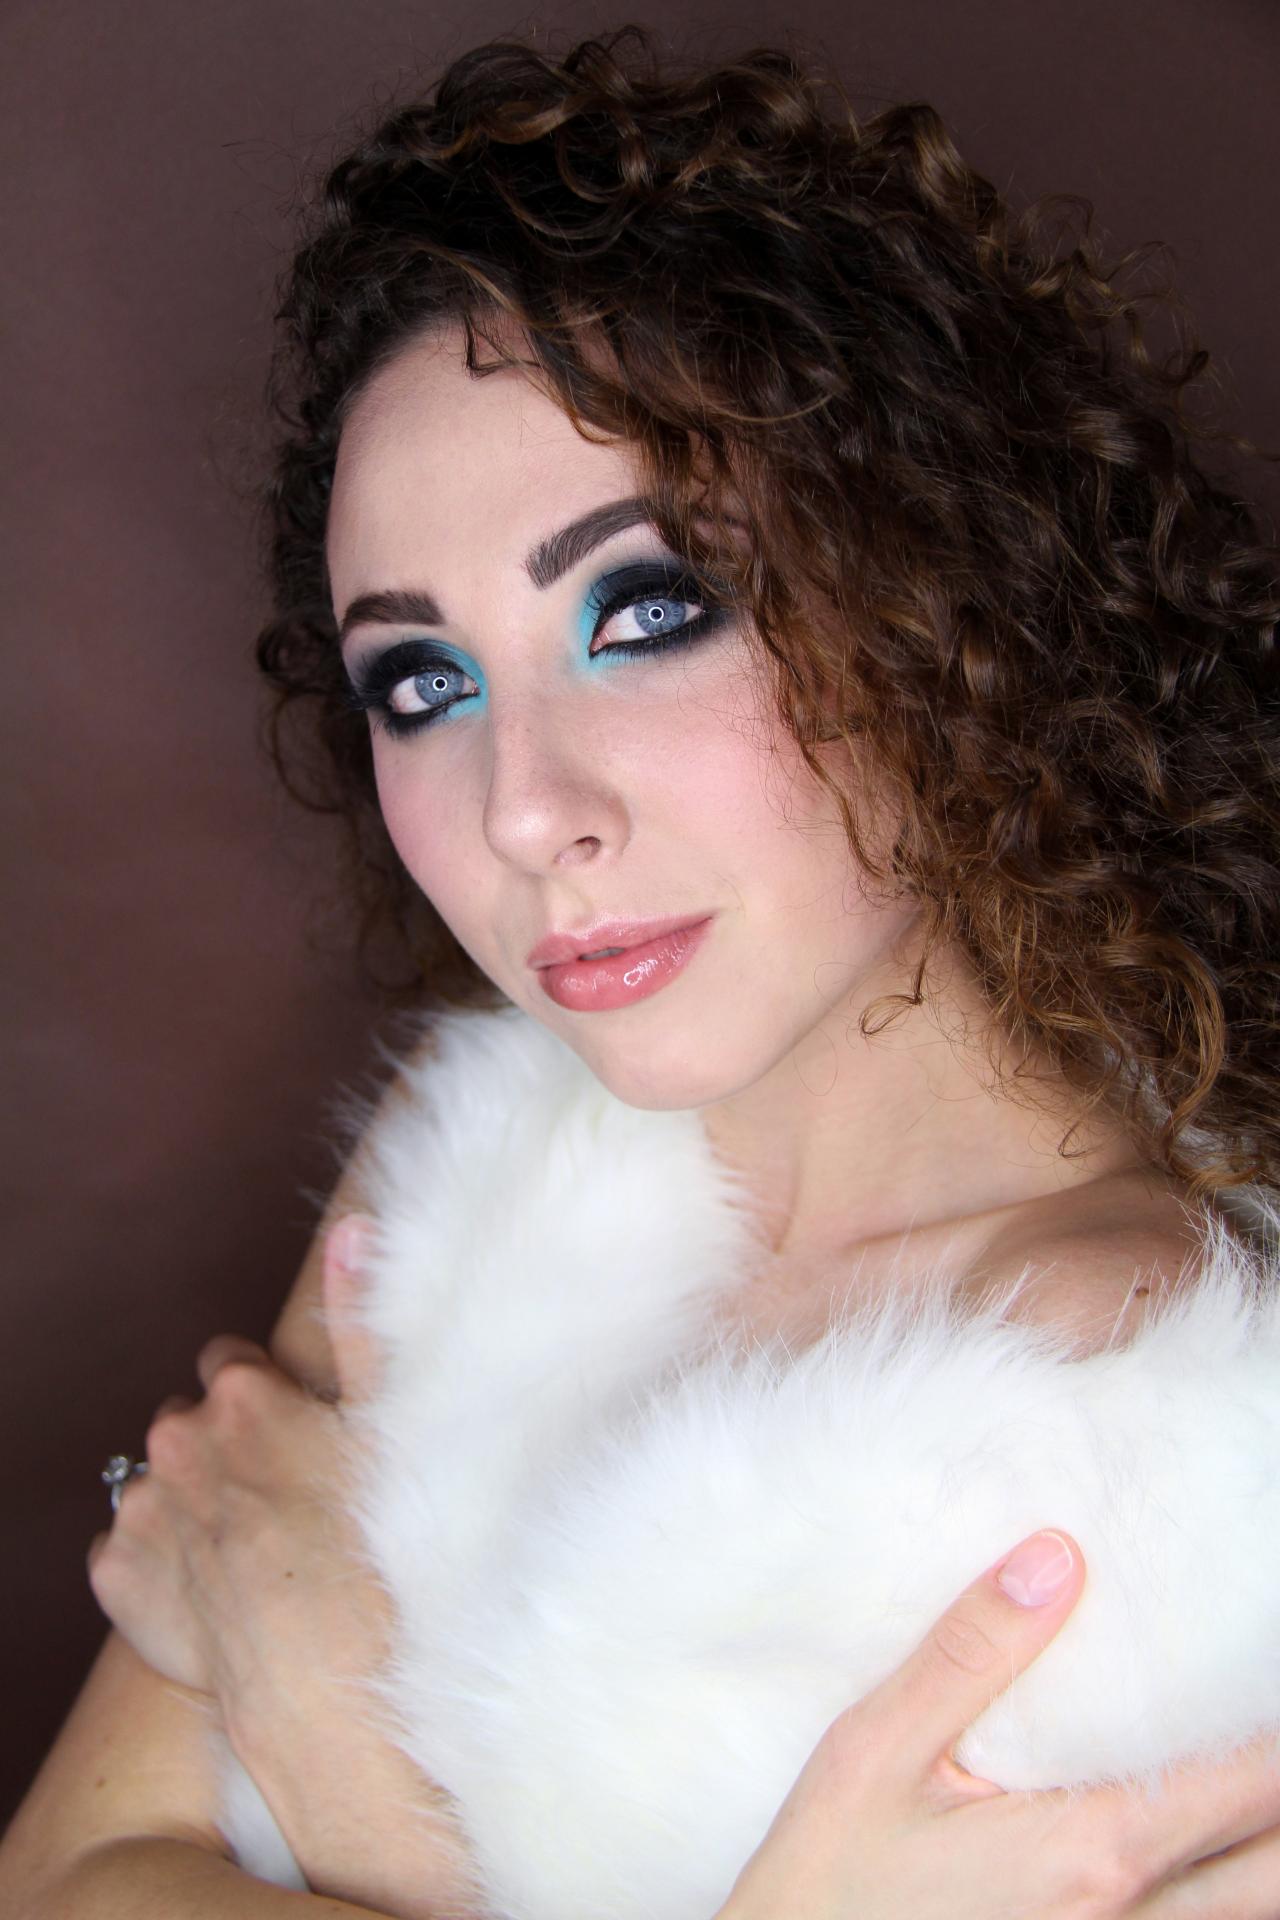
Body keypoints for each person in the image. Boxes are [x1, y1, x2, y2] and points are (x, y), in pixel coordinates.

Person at [5, 23, 1280, 1917]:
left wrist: (315, 1679)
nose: (524, 810)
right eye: (421, 681)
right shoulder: (488, 1169)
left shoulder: (1156, 1437)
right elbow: (66, 1874)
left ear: (950, 600)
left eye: (648, 606)